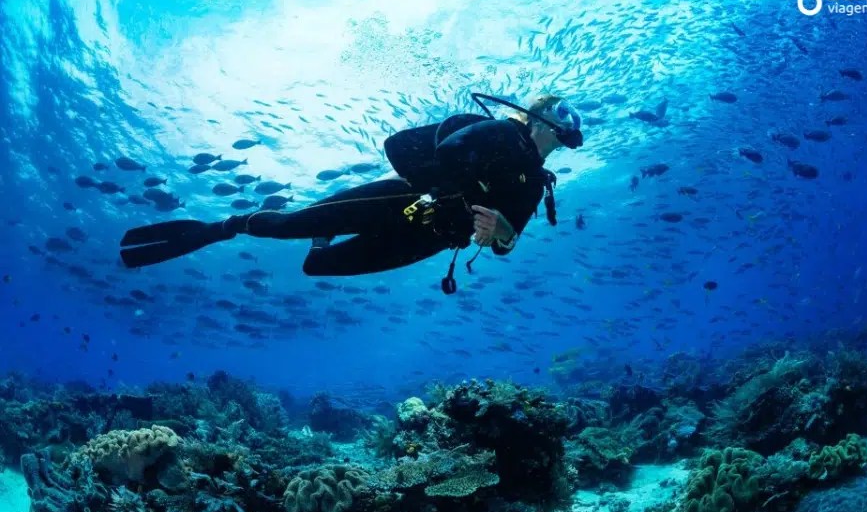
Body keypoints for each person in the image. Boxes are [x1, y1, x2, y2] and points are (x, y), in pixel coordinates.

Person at [119, 93, 583, 293]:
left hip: (432, 239)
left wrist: (501, 234)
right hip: (401, 200)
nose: (572, 122)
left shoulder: (536, 183)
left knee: (319, 264)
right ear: (539, 117)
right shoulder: (501, 132)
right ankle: (222, 227)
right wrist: (456, 196)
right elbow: (437, 151)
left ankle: (322, 236)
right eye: (564, 111)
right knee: (286, 226)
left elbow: (507, 243)